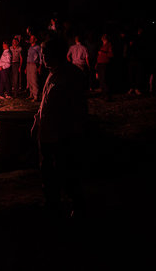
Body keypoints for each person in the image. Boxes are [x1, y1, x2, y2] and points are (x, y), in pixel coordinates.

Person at [31, 38, 88, 219]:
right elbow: (44, 103)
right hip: (47, 135)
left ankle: (77, 208)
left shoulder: (72, 75)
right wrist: (37, 122)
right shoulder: (51, 74)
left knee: (67, 172)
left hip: (63, 135)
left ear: (58, 53)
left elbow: (78, 109)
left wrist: (72, 134)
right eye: (43, 52)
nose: (43, 56)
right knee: (47, 173)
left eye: (47, 52)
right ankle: (51, 204)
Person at [96, 34, 113, 100]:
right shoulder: (103, 45)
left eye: (103, 37)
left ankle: (107, 95)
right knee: (100, 79)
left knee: (104, 79)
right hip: (100, 63)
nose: (102, 38)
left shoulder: (109, 45)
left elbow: (111, 54)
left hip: (104, 63)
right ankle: (103, 94)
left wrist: (102, 52)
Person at [25, 35, 42, 101]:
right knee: (29, 80)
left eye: (32, 38)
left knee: (34, 80)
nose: (31, 39)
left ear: (35, 39)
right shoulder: (30, 47)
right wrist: (26, 67)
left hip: (34, 64)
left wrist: (40, 66)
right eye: (30, 38)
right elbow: (28, 57)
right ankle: (31, 94)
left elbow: (40, 57)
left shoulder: (37, 47)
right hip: (28, 64)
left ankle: (36, 96)